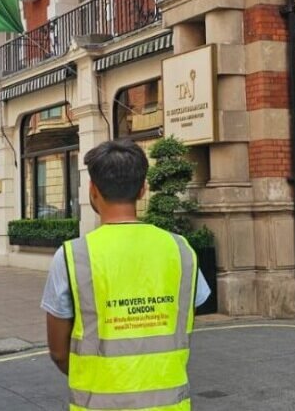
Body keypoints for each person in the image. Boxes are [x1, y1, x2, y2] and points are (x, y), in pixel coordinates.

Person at [41, 140, 210, 410]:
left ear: (92, 190)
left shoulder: (73, 256)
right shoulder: (181, 250)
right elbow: (188, 315)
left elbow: (59, 352)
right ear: (143, 189)